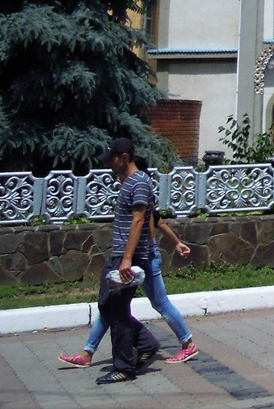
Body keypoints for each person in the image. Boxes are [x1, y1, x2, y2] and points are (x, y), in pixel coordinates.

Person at [61, 158, 198, 368]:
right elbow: (159, 222)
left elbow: (153, 225)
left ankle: (187, 343)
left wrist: (173, 244)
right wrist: (177, 243)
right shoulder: (136, 195)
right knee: (113, 305)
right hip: (140, 257)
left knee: (158, 303)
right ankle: (87, 352)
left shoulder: (142, 200)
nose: (122, 176)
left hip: (147, 258)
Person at [90, 139, 162, 384]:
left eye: (111, 159)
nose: (109, 164)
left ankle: (124, 367)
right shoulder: (129, 182)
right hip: (121, 254)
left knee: (118, 310)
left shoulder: (140, 182)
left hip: (128, 256)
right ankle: (146, 343)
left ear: (124, 156)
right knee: (108, 305)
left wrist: (128, 259)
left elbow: (139, 221)